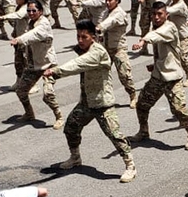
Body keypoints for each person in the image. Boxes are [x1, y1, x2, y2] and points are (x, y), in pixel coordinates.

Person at [43, 19, 137, 182]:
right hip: (87, 102)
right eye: (78, 36)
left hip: (102, 103)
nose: (80, 40)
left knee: (115, 136)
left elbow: (78, 64)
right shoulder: (84, 49)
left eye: (84, 37)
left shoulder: (97, 52)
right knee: (71, 128)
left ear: (93, 37)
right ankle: (75, 158)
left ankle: (130, 166)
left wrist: (56, 71)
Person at [130, 1, 188, 151]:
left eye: (159, 14)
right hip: (158, 76)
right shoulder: (156, 27)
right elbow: (161, 49)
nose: (156, 17)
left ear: (166, 15)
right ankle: (143, 131)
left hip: (172, 78)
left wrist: (143, 41)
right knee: (142, 104)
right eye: (153, 14)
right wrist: (156, 65)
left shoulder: (170, 27)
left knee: (179, 109)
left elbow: (156, 36)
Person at [9, 0, 62, 129]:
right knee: (21, 91)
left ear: (41, 11)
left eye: (34, 10)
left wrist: (19, 39)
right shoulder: (31, 22)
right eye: (29, 10)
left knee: (48, 95)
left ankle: (59, 116)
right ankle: (29, 113)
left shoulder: (43, 24)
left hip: (48, 64)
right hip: (33, 65)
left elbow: (34, 35)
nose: (31, 13)